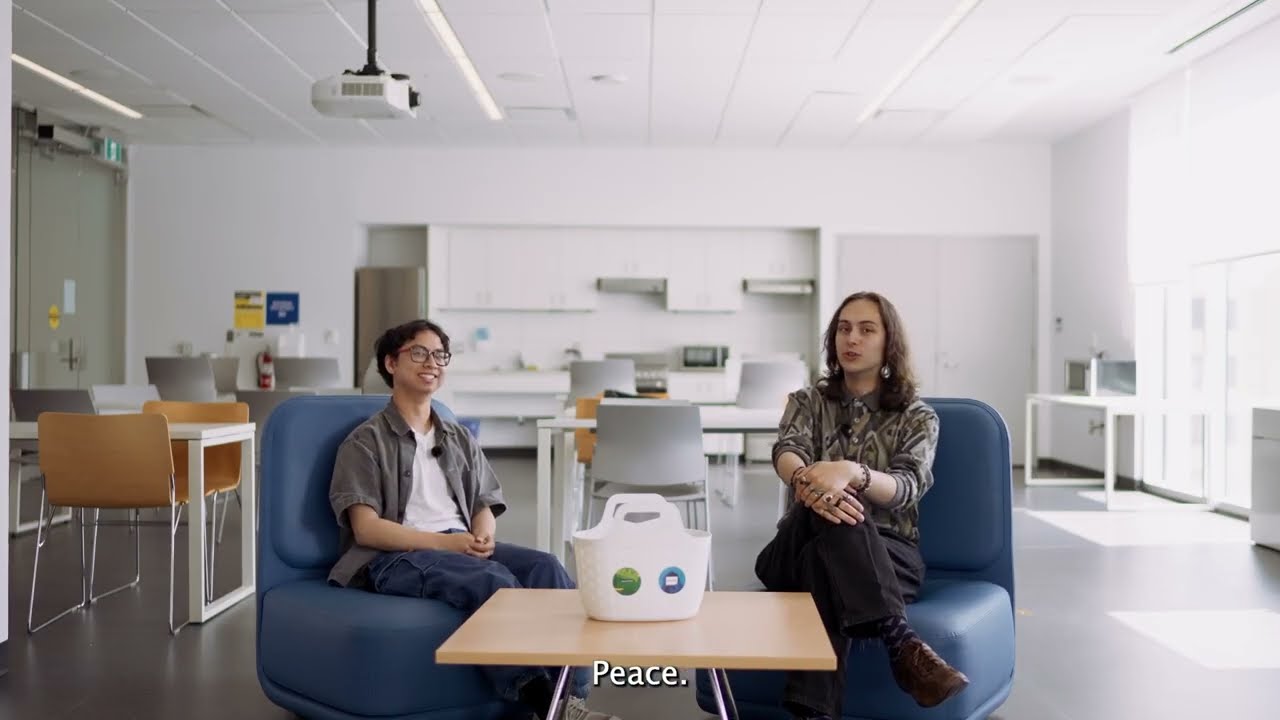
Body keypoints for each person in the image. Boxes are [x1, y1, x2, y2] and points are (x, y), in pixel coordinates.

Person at [327, 319, 619, 720]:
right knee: (491, 580)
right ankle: (548, 707)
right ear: (391, 363)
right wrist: (448, 544)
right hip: (394, 557)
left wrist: (482, 534)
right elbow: (366, 529)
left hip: (458, 544)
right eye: (419, 352)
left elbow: (484, 502)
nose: (432, 363)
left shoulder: (457, 436)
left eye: (440, 355)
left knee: (548, 568)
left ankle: (574, 696)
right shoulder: (365, 441)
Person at [755, 292, 969, 720]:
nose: (851, 338)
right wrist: (811, 480)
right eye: (843, 328)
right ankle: (900, 640)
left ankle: (814, 712)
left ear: (889, 343)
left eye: (866, 330)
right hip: (790, 549)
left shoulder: (917, 416)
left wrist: (854, 473)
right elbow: (787, 450)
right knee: (827, 506)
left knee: (825, 558)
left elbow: (908, 486)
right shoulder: (807, 401)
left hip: (890, 555)